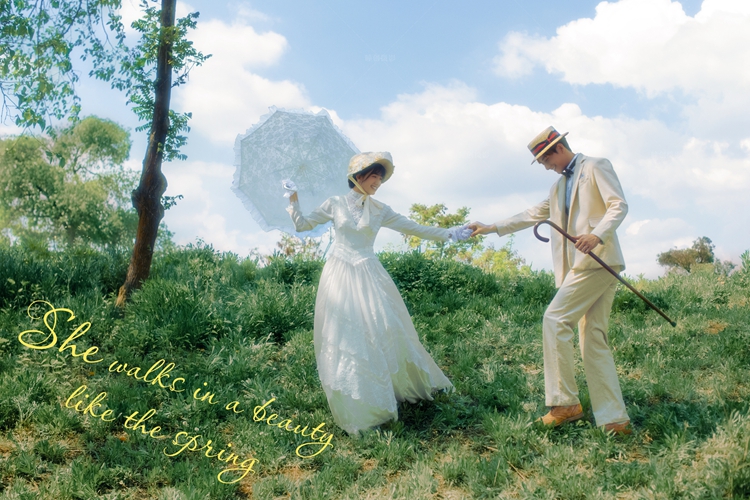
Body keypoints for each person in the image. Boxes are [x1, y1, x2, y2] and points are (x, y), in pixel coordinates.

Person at [285, 151, 471, 435]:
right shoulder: (334, 204)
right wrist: (293, 198)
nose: (379, 183)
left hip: (369, 272)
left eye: (381, 179)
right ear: (359, 175)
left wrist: (451, 233)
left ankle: (394, 386)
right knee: (347, 334)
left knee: (384, 327)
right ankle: (360, 404)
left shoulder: (381, 209)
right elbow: (302, 225)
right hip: (340, 273)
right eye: (375, 176)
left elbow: (415, 228)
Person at [470, 127, 632, 434]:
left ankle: (564, 403)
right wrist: (490, 227)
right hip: (578, 267)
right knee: (593, 340)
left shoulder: (596, 166)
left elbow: (618, 205)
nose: (546, 167)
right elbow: (532, 214)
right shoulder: (558, 188)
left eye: (545, 161)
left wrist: (596, 235)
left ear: (556, 151)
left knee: (555, 319)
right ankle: (615, 420)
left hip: (597, 262)